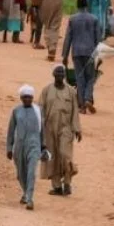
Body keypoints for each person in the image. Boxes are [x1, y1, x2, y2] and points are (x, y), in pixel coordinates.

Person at [39, 65, 82, 196]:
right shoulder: (46, 90)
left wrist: (77, 129)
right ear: (53, 74)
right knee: (53, 157)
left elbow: (75, 111)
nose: (59, 74)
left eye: (62, 72)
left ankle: (67, 182)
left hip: (66, 128)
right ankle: (57, 187)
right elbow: (40, 110)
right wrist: (39, 129)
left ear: (64, 75)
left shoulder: (70, 91)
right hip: (49, 128)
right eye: (57, 72)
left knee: (65, 155)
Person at [6, 85, 47, 210]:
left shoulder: (38, 111)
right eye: (25, 97)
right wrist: (9, 147)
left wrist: (43, 145)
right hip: (19, 146)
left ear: (32, 97)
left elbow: (43, 130)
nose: (27, 99)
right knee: (20, 173)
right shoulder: (16, 111)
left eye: (29, 97)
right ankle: (25, 193)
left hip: (34, 145)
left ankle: (30, 199)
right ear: (21, 98)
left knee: (31, 172)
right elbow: (11, 130)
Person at [62, 0, 100, 113]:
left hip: (77, 52)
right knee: (90, 78)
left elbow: (68, 38)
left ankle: (82, 106)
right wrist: (99, 56)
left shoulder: (73, 19)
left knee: (80, 78)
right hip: (90, 52)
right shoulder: (94, 19)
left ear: (77, 6)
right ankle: (88, 98)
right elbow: (98, 39)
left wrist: (65, 55)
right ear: (86, 6)